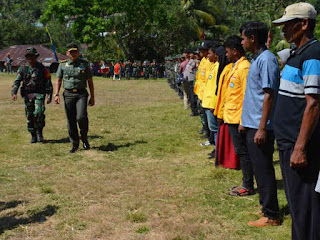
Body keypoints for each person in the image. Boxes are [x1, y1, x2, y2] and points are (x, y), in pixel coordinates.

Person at [272, 3, 320, 239]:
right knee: (295, 204)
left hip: (297, 145)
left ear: (304, 24)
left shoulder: (312, 55)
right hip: (287, 142)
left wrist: (300, 148)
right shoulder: (297, 54)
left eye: (288, 25)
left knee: (305, 207)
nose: (284, 31)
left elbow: (313, 104)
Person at [240, 21, 280, 227]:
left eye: (244, 38)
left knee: (264, 169)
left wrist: (262, 127)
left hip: (260, 125)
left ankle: (272, 215)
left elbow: (269, 96)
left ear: (253, 39)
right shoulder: (256, 59)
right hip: (252, 123)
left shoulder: (266, 60)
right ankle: (266, 204)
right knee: (258, 168)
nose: (242, 41)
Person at [220, 36, 253, 195]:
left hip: (239, 118)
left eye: (227, 51)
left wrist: (243, 120)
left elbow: (248, 95)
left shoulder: (244, 68)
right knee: (240, 151)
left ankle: (247, 185)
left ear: (235, 51)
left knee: (243, 152)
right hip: (231, 116)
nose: (226, 54)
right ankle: (245, 182)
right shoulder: (235, 67)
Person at [54, 43, 95, 153]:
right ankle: (75, 143)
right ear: (67, 53)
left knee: (81, 117)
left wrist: (92, 97)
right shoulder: (62, 65)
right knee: (71, 119)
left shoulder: (84, 64)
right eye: (71, 52)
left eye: (75, 51)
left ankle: (84, 138)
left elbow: (90, 81)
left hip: (81, 94)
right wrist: (56, 94)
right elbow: (58, 80)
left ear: (78, 52)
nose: (73, 53)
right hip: (68, 94)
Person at [11, 47, 53, 143]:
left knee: (39, 112)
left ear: (36, 57)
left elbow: (48, 81)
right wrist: (14, 92)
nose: (30, 58)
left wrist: (49, 94)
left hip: (39, 94)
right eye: (28, 56)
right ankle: (33, 135)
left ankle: (39, 133)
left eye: (32, 56)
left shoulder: (42, 68)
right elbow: (17, 81)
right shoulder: (23, 68)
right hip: (28, 95)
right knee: (29, 115)